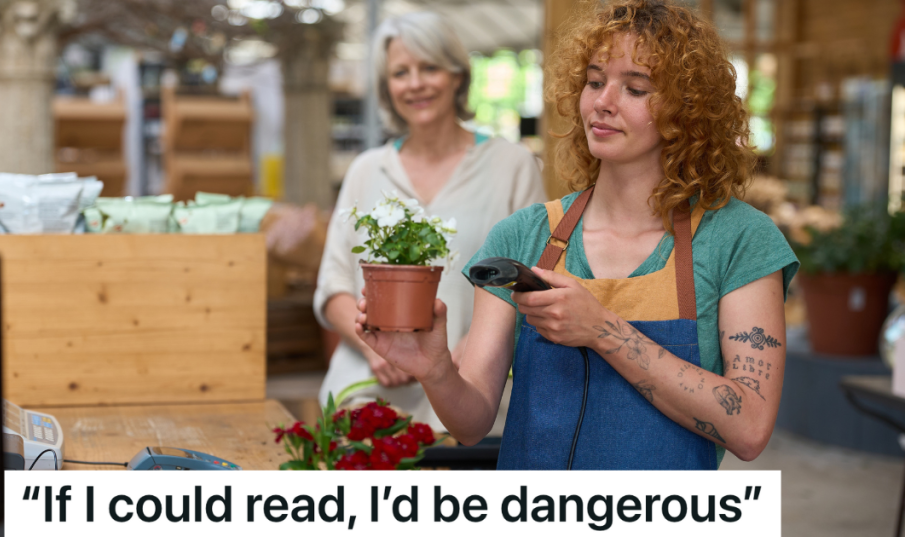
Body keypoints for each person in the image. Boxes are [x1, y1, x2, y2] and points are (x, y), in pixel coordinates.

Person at [355, 0, 799, 469]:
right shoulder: (524, 237)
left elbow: (749, 429)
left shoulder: (739, 240)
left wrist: (603, 331)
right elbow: (471, 425)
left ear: (687, 110)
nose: (602, 102)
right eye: (594, 81)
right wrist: (436, 369)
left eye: (635, 87)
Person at [314, 11, 546, 429]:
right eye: (401, 72)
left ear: (457, 75)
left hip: (473, 400)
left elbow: (531, 280)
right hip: (368, 393)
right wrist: (375, 349)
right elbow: (332, 288)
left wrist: (464, 353)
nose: (415, 83)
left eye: (429, 67)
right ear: (388, 87)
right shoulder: (367, 170)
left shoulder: (511, 165)